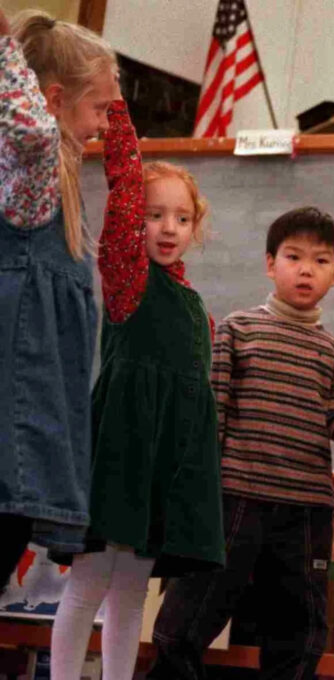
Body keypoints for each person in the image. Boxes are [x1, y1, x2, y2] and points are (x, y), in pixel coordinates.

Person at [148, 207, 334, 680]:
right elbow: (211, 413)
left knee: (300, 635)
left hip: (305, 511)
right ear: (269, 264)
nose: (305, 269)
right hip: (234, 499)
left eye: (320, 261)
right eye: (293, 257)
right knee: (186, 620)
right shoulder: (238, 330)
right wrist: (195, 492)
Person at [49, 88, 225, 679]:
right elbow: (125, 182)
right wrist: (114, 105)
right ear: (134, 223)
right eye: (154, 215)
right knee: (89, 586)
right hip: (121, 457)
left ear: (196, 227)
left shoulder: (195, 305)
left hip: (162, 468)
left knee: (131, 597)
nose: (167, 227)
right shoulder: (127, 277)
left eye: (181, 217)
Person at [0, 8, 115, 591]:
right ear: (53, 98)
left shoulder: (60, 178)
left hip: (37, 412)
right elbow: (34, 131)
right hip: (16, 415)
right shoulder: (36, 169)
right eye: (99, 109)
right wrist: (4, 51)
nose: (105, 125)